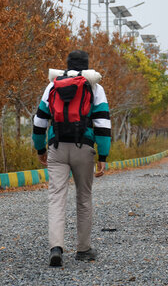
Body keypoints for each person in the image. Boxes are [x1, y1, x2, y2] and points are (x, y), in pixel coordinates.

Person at [32, 50, 111, 267]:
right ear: (86, 66)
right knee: (84, 198)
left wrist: (40, 149)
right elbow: (103, 124)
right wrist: (103, 155)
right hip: (83, 149)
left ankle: (56, 247)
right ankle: (83, 249)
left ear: (66, 65)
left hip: (57, 148)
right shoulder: (94, 87)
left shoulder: (53, 86)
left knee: (56, 197)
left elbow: (39, 122)